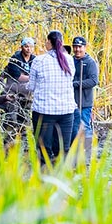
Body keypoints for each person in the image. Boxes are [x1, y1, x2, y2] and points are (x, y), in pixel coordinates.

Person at [27, 31, 78, 166]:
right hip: (66, 111)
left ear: (49, 42)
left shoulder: (39, 60)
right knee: (62, 149)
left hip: (44, 111)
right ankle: (59, 179)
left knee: (43, 150)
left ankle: (43, 179)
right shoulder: (69, 60)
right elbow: (70, 80)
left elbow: (31, 86)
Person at [0, 37, 36, 143]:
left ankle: (24, 144)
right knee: (11, 118)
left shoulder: (35, 59)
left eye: (31, 47)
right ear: (22, 47)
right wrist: (32, 77)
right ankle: (8, 142)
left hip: (27, 94)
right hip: (13, 92)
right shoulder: (15, 59)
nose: (28, 49)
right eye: (26, 46)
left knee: (26, 120)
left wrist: (30, 78)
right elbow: (18, 76)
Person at [70, 36, 99, 155]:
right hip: (71, 101)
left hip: (85, 101)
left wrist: (75, 84)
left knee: (85, 125)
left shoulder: (90, 62)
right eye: (75, 47)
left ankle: (87, 150)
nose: (77, 49)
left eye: (80, 47)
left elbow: (93, 81)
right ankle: (74, 148)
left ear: (84, 47)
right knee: (72, 125)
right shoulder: (70, 60)